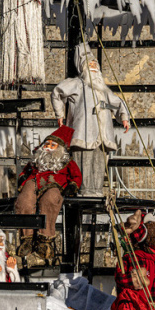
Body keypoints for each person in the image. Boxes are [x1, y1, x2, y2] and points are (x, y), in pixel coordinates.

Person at [51, 44, 129, 196]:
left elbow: (117, 102)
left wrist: (124, 117)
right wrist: (59, 114)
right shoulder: (76, 84)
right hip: (83, 132)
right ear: (83, 67)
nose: (93, 66)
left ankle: (97, 190)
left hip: (102, 134)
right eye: (90, 64)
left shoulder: (103, 89)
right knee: (83, 163)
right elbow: (57, 92)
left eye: (95, 64)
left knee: (99, 163)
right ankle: (85, 190)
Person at [14, 125, 82, 266]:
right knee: (24, 201)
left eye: (53, 145)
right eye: (47, 144)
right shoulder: (35, 163)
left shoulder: (66, 163)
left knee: (50, 201)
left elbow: (76, 175)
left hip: (55, 184)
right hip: (34, 181)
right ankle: (26, 239)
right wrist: (22, 178)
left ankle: (45, 240)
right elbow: (25, 172)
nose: (49, 147)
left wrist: (73, 185)